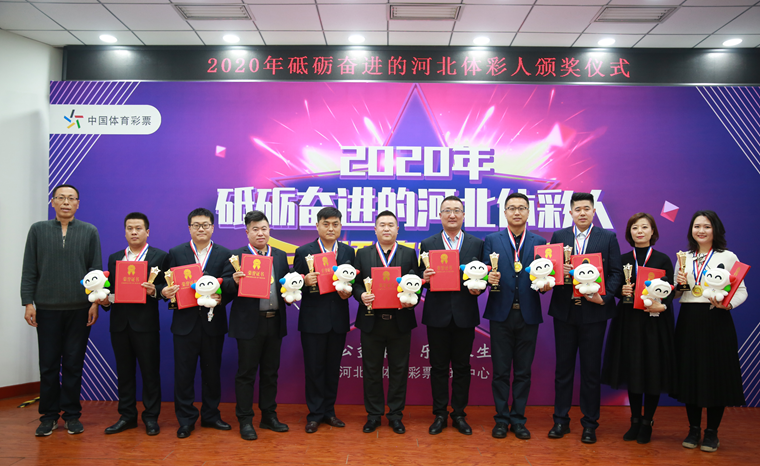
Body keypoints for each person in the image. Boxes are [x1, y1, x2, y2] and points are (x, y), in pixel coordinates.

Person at [21, 184, 102, 436]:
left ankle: (72, 415)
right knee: (48, 365)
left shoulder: (89, 231)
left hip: (80, 309)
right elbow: (29, 269)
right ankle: (48, 417)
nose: (66, 202)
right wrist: (28, 302)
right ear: (52, 202)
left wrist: (94, 302)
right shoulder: (38, 230)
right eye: (61, 198)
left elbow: (95, 270)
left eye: (71, 198)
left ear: (78, 203)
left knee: (73, 365)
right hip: (46, 309)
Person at [547, 192, 623, 444]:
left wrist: (604, 297)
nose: (582, 213)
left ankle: (590, 424)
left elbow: (616, 273)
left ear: (593, 211)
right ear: (570, 213)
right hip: (565, 311)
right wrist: (560, 271)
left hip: (594, 312)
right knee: (563, 369)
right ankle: (560, 420)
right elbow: (549, 271)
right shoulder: (559, 237)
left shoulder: (607, 237)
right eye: (577, 209)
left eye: (586, 209)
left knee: (590, 371)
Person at [673, 210, 747, 453]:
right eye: (697, 226)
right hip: (689, 320)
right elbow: (677, 293)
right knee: (690, 374)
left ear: (715, 229)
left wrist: (727, 304)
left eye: (706, 226)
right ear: (691, 230)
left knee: (716, 375)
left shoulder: (728, 256)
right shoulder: (683, 257)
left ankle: (712, 432)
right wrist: (677, 284)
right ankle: (693, 429)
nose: (701, 231)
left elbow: (741, 291)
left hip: (717, 319)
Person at [601, 213, 676, 444]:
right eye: (635, 227)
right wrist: (619, 291)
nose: (640, 231)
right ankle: (634, 421)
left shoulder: (662, 259)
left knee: (652, 370)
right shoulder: (622, 259)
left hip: (654, 322)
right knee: (633, 369)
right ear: (629, 232)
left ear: (653, 231)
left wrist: (661, 302)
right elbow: (612, 285)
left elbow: (671, 290)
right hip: (629, 321)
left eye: (644, 227)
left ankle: (647, 422)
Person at [482, 192, 548, 440]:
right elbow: (482, 272)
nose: (517, 212)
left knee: (523, 372)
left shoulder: (539, 241)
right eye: (512, 208)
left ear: (528, 212)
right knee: (500, 371)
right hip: (500, 314)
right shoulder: (492, 240)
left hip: (528, 314)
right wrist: (487, 277)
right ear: (505, 212)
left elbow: (546, 276)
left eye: (522, 208)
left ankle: (518, 420)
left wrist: (546, 285)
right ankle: (501, 420)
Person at [162, 208, 232, 439]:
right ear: (189, 228)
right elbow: (165, 282)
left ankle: (211, 416)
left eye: (205, 225)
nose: (201, 229)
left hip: (213, 322)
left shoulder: (224, 253)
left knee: (212, 373)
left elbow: (231, 283)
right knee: (184, 374)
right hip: (185, 324)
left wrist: (222, 297)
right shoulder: (176, 252)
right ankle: (186, 420)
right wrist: (165, 292)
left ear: (212, 227)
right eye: (196, 225)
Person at [222, 210, 290, 440]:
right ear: (247, 232)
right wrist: (234, 282)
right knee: (246, 373)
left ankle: (269, 416)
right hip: (249, 324)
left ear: (269, 230)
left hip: (274, 321)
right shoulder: (236, 257)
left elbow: (285, 285)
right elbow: (224, 289)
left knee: (270, 373)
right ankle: (245, 420)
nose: (260, 233)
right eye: (255, 229)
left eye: (264, 228)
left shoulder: (279, 256)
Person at [420, 196, 483, 436]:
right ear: (440, 215)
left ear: (464, 215)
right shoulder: (428, 243)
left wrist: (480, 288)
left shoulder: (477, 244)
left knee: (462, 366)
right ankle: (439, 414)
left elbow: (482, 277)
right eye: (447, 210)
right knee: (438, 367)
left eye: (457, 210)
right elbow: (419, 280)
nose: (452, 215)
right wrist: (424, 278)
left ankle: (458, 413)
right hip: (437, 314)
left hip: (465, 313)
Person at [101, 212, 168, 436]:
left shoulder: (160, 257)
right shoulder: (115, 258)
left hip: (146, 325)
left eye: (138, 228)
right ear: (125, 232)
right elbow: (111, 291)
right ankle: (127, 416)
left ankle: (151, 418)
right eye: (129, 228)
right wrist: (105, 301)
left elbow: (167, 289)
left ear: (147, 232)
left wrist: (155, 291)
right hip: (119, 324)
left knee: (150, 373)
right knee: (124, 373)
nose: (134, 232)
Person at [353, 210, 420, 434]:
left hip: (400, 321)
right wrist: (361, 295)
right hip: (371, 321)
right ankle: (373, 415)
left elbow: (416, 282)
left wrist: (412, 300)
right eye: (382, 225)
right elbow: (355, 283)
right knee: (371, 370)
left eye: (391, 225)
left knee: (399, 370)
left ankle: (395, 415)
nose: (386, 228)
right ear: (375, 229)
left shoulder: (409, 253)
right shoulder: (363, 253)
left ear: (397, 229)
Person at [293, 207, 355, 433]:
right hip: (313, 320)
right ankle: (315, 414)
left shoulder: (348, 252)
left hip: (338, 320)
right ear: (317, 226)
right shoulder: (304, 252)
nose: (331, 228)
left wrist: (348, 292)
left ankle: (329, 411)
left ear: (340, 226)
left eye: (335, 224)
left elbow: (352, 282)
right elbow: (293, 285)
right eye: (326, 224)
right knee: (314, 368)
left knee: (332, 368)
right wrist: (304, 281)